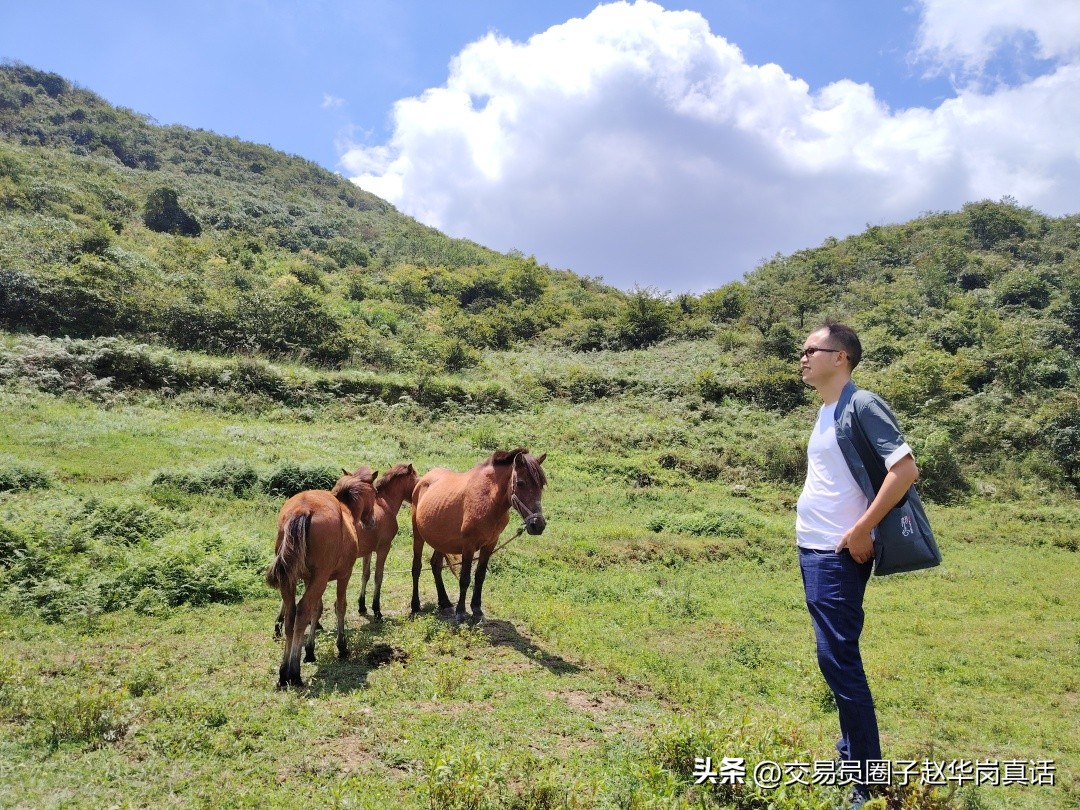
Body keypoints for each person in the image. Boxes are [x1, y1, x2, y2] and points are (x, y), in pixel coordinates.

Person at [796, 322, 920, 810]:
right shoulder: (828, 410)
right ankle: (852, 755)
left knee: (838, 658)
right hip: (815, 548)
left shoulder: (861, 403)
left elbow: (904, 469)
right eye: (802, 351)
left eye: (812, 350)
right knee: (834, 655)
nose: (803, 357)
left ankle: (868, 779)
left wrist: (863, 528)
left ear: (840, 356)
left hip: (838, 552)